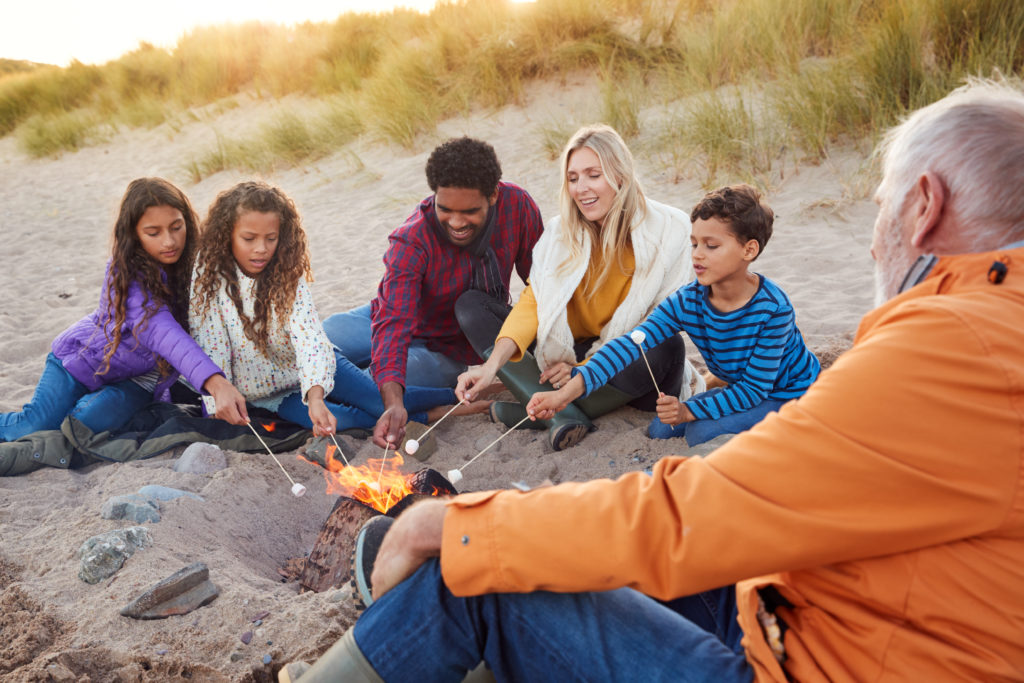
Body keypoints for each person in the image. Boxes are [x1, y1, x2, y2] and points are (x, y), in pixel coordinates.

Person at [296, 80, 1024, 681]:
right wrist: (568, 383)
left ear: (924, 206)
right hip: (845, 615)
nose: (872, 239)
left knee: (477, 574)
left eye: (879, 208)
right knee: (578, 558)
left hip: (813, 657)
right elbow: (611, 330)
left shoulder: (948, 347)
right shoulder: (992, 332)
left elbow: (689, 511)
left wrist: (448, 521)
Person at [455, 124, 693, 451]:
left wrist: (581, 372)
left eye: (594, 175)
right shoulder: (560, 233)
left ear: (620, 175)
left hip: (624, 363)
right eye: (573, 178)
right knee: (471, 306)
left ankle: (547, 412)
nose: (581, 188)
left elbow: (658, 322)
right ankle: (564, 412)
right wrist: (489, 367)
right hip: (565, 347)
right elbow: (534, 302)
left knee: (666, 345)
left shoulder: (670, 229)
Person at [528, 184, 820, 447]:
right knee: (661, 430)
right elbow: (631, 344)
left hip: (786, 393)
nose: (697, 255)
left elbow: (755, 390)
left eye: (711, 245)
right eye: (694, 243)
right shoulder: (688, 300)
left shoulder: (772, 309)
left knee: (699, 433)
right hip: (740, 388)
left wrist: (688, 411)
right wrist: (564, 395)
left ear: (749, 249)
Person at [189, 181, 483, 436]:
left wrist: (315, 395)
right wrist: (217, 405)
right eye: (249, 239)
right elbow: (212, 345)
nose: (261, 249)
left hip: (310, 368)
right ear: (227, 234)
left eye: (271, 238)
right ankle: (436, 413)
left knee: (377, 397)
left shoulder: (286, 271)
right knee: (343, 421)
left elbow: (309, 339)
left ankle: (461, 394)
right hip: (268, 395)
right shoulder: (208, 277)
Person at [321, 137, 543, 448]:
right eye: (445, 208)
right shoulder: (413, 239)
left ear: (493, 195)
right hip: (391, 313)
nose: (456, 222)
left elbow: (544, 285)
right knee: (316, 344)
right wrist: (394, 404)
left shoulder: (518, 206)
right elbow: (393, 324)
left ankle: (432, 403)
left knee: (364, 380)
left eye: (468, 211)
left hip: (450, 346)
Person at [0, 177, 248, 448]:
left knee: (84, 423)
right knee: (33, 425)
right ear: (134, 235)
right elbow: (160, 330)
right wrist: (215, 382)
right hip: (80, 363)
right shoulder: (125, 273)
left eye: (177, 227)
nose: (169, 241)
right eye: (153, 233)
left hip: (139, 380)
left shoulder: (197, 264)